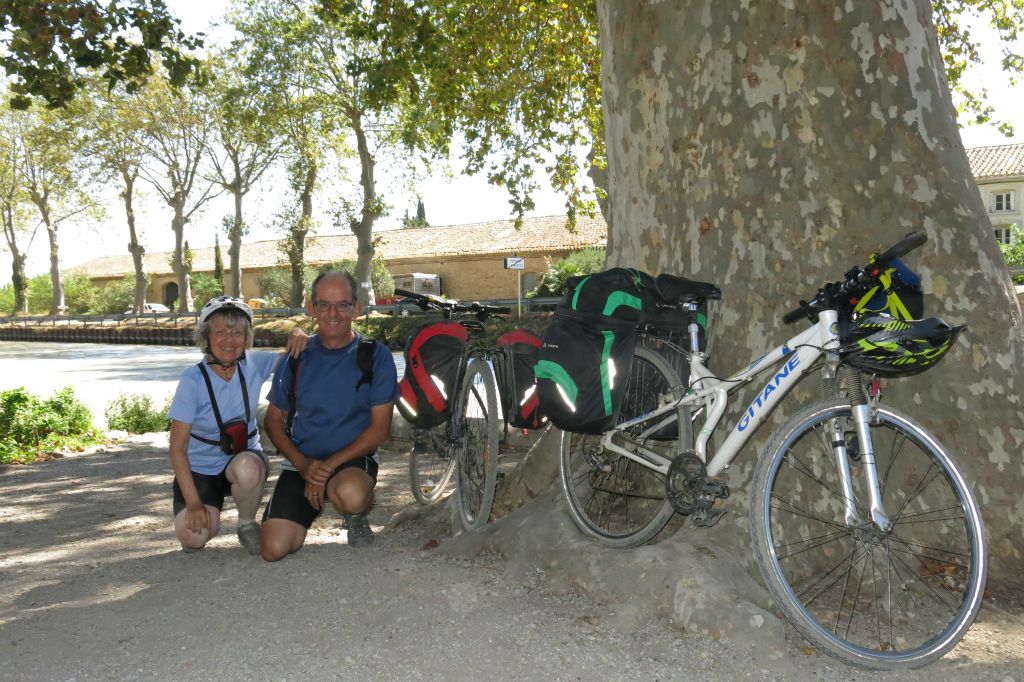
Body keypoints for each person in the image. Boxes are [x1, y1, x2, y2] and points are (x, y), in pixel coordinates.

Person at [260, 271, 398, 561]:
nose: (333, 313)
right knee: (273, 549)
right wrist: (303, 465)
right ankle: (314, 498)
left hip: (351, 461)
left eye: (343, 305)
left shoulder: (376, 355)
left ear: (356, 308)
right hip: (302, 462)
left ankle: (355, 514)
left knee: (350, 493)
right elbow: (273, 421)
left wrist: (325, 468)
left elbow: (380, 430)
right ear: (312, 308)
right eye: (324, 305)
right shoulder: (295, 356)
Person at [168, 296, 306, 556]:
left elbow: (296, 356)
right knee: (192, 539)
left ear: (246, 338)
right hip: (200, 468)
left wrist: (299, 332)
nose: (228, 340)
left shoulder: (254, 363)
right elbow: (177, 449)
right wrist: (194, 503)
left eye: (236, 333)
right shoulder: (192, 380)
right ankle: (210, 514)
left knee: (248, 467)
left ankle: (246, 523)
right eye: (220, 332)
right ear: (206, 336)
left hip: (241, 459)